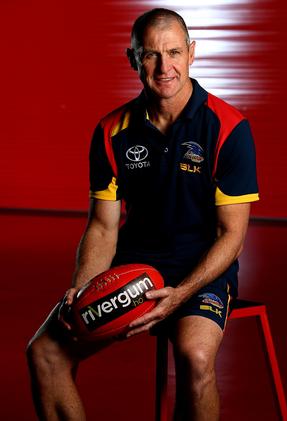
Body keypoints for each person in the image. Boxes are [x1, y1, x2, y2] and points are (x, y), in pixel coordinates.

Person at [26, 8, 259, 421]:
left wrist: (180, 295)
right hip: (135, 269)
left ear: (191, 53)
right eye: (150, 54)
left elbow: (231, 236)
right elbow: (102, 227)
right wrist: (80, 288)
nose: (164, 66)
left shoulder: (228, 128)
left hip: (199, 269)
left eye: (173, 52)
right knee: (45, 353)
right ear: (132, 58)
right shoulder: (111, 130)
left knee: (196, 358)